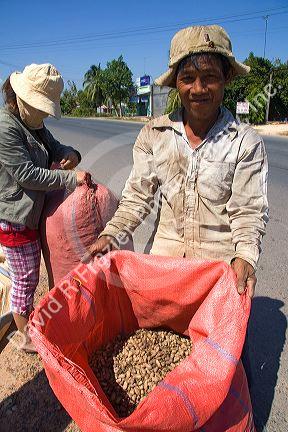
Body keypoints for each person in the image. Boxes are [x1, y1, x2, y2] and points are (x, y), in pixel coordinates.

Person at [85, 25, 268, 300]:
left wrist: (244, 257)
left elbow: (248, 212)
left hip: (217, 272)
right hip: (164, 265)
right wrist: (112, 233)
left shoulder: (245, 142)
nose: (198, 89)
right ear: (176, 82)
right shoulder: (154, 134)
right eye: (188, 78)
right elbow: (138, 197)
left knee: (229, 343)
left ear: (226, 77)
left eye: (210, 77)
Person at [0, 63, 88, 352]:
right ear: (22, 98)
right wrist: (67, 177)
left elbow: (55, 146)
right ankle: (24, 338)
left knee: (28, 273)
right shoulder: (6, 127)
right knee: (26, 278)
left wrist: (71, 155)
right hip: (15, 218)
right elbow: (26, 174)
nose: (44, 115)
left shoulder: (34, 125)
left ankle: (28, 322)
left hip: (30, 216)